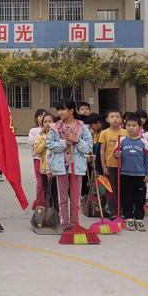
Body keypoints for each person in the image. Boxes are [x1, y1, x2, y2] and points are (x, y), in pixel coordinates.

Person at [46, 99, 93, 232]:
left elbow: (88, 147)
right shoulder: (55, 127)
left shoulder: (82, 127)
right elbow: (49, 145)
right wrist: (64, 143)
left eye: (62, 109)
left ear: (71, 111)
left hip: (76, 167)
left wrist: (77, 140)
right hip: (61, 167)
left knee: (75, 198)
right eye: (58, 109)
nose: (59, 112)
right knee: (62, 198)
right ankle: (65, 224)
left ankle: (75, 223)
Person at [115, 114, 148, 231]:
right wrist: (117, 154)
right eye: (128, 125)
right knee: (127, 197)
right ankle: (129, 218)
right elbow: (116, 155)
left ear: (140, 127)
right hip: (125, 174)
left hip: (140, 175)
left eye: (134, 125)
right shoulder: (122, 140)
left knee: (140, 198)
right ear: (125, 126)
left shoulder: (144, 142)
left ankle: (139, 218)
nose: (131, 128)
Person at [99, 109, 127, 218]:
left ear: (121, 119)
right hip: (110, 166)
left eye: (117, 116)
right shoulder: (104, 132)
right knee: (111, 189)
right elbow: (102, 150)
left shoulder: (125, 132)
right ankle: (113, 211)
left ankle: (124, 210)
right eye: (112, 117)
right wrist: (103, 166)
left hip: (124, 166)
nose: (115, 119)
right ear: (107, 119)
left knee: (123, 188)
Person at [33, 112, 58, 211]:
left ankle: (57, 212)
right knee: (47, 191)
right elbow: (37, 150)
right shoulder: (40, 137)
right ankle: (49, 211)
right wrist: (46, 140)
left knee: (56, 191)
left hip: (56, 168)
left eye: (50, 121)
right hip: (44, 167)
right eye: (45, 122)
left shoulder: (58, 136)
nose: (47, 124)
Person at [28, 108, 47, 209]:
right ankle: (40, 203)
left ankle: (46, 201)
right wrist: (41, 133)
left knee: (48, 183)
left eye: (44, 115)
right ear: (36, 118)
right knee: (40, 183)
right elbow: (31, 142)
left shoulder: (51, 129)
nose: (42, 118)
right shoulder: (34, 130)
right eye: (40, 116)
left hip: (49, 160)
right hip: (38, 159)